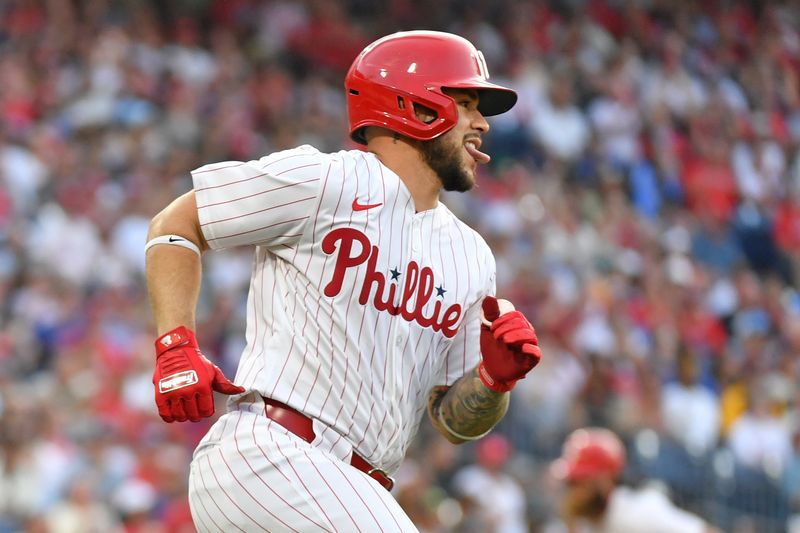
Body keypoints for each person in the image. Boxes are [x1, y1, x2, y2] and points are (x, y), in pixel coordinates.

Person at [144, 30, 542, 532]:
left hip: (351, 487)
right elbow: (175, 226)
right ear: (417, 106)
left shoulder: (472, 256)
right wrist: (175, 344)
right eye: (465, 103)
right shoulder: (329, 182)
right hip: (272, 457)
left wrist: (493, 380)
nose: (482, 122)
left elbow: (453, 421)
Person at [547, 427, 720, 533]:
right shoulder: (579, 522)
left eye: (578, 482)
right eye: (570, 483)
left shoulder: (637, 513)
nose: (571, 493)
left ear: (604, 480)